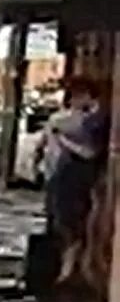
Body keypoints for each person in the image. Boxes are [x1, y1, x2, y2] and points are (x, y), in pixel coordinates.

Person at [41, 75, 110, 285]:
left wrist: (61, 140)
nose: (73, 101)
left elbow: (90, 153)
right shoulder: (79, 119)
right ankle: (68, 269)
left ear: (87, 96)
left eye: (76, 96)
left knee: (72, 224)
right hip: (63, 178)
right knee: (62, 222)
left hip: (77, 180)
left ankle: (69, 271)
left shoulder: (95, 121)